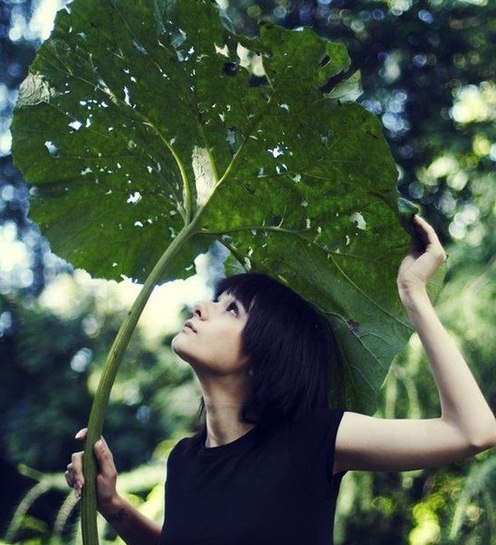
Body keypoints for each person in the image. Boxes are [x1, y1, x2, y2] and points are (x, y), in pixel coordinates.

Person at [65, 215, 496, 545]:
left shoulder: (314, 439)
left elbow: (472, 431)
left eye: (231, 309)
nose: (201, 307)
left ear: (265, 354)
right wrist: (112, 505)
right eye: (217, 300)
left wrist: (413, 294)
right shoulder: (184, 460)